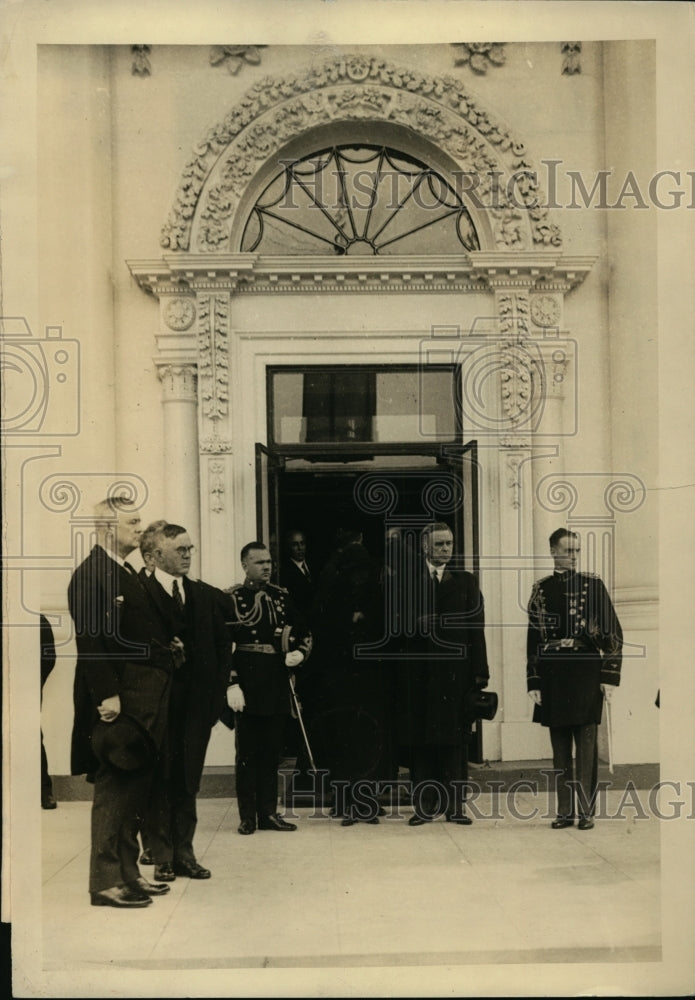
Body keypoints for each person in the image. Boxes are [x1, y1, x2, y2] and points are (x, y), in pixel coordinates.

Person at [68, 496, 177, 908]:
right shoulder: (91, 574)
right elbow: (91, 641)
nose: (139, 527)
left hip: (145, 693)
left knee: (136, 787)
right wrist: (107, 694)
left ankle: (129, 875)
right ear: (107, 528)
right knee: (116, 788)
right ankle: (104, 881)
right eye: (132, 522)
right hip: (121, 698)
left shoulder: (124, 570)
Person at [140, 523, 232, 880]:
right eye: (180, 550)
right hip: (156, 707)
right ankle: (161, 854)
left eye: (190, 549)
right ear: (154, 556)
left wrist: (213, 700)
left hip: (195, 710)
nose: (188, 555)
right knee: (159, 779)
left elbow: (223, 649)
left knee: (187, 780)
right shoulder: (140, 594)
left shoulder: (204, 596)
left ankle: (184, 853)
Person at [526, 528, 622, 830]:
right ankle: (564, 812)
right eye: (568, 550)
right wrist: (534, 681)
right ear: (553, 551)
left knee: (586, 745)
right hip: (554, 672)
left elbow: (614, 633)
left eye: (577, 551)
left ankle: (586, 811)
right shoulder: (540, 589)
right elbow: (533, 640)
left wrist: (609, 676)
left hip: (585, 671)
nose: (573, 556)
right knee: (559, 748)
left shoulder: (593, 585)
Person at [400, 522, 489, 827]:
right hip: (419, 675)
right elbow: (395, 626)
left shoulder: (466, 582)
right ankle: (424, 807)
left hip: (456, 676)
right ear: (425, 546)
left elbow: (477, 629)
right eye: (439, 545)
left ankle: (455, 808)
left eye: (449, 544)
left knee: (455, 742)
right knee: (421, 742)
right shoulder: (407, 581)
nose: (445, 550)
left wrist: (480, 674)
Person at [222, 542, 312, 835]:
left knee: (271, 752)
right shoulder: (233, 598)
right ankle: (248, 816)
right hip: (246, 684)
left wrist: (299, 653)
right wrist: (231, 683)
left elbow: (304, 630)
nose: (266, 567)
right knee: (247, 753)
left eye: (269, 562)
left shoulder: (281, 596)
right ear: (244, 565)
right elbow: (222, 646)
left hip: (275, 681)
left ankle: (269, 814)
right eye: (259, 562)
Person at [310, 526, 390, 825]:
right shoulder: (334, 596)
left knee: (363, 739)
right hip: (343, 678)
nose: (359, 578)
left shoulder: (373, 597)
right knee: (346, 738)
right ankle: (346, 801)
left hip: (365, 678)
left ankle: (362, 800)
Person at [40, 614, 57, 810]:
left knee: (33, 735)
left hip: (26, 687)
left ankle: (45, 791)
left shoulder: (38, 619)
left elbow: (49, 657)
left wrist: (33, 682)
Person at [279, 529, 316, 619]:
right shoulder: (283, 572)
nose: (300, 548)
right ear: (287, 547)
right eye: (295, 545)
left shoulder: (315, 566)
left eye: (302, 543)